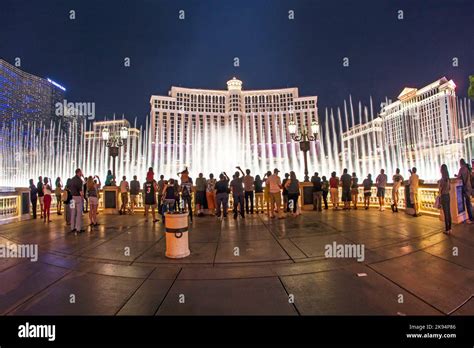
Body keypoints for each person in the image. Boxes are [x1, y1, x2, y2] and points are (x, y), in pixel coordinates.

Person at [456, 159, 473, 223]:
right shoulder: (467, 168)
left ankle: (471, 219)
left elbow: (458, 177)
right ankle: (471, 217)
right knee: (469, 203)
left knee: (468, 203)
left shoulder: (462, 169)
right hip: (469, 186)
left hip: (465, 188)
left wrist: (456, 176)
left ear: (461, 163)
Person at [70, 168, 85, 233]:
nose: (81, 173)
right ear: (79, 172)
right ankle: (78, 228)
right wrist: (82, 197)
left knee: (72, 213)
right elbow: (80, 191)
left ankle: (72, 227)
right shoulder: (79, 180)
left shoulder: (72, 179)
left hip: (72, 198)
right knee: (79, 213)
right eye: (81, 172)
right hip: (78, 197)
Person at [438, 164, 452, 234]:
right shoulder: (448, 179)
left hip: (443, 196)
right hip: (448, 196)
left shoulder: (441, 180)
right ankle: (450, 228)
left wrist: (439, 198)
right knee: (449, 212)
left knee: (445, 213)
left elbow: (440, 191)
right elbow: (450, 188)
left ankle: (447, 229)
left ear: (441, 171)